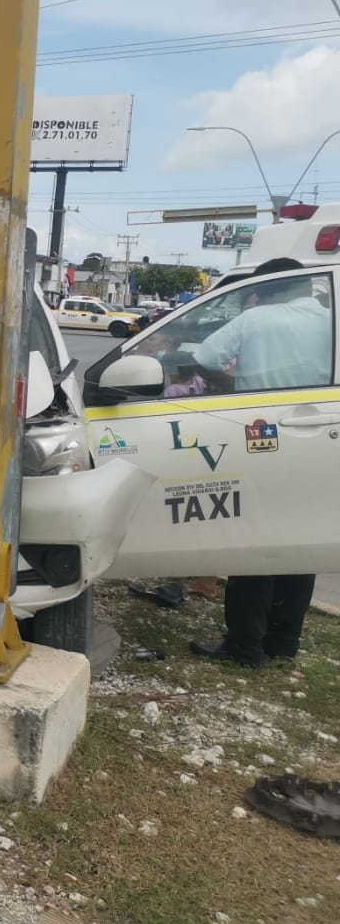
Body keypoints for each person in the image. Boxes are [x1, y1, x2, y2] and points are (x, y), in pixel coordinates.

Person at [189, 257, 326, 666]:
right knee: (302, 545)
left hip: (264, 433)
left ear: (265, 288)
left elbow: (207, 355)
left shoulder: (257, 319)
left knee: (255, 542)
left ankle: (245, 646)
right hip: (320, 436)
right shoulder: (329, 316)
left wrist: (237, 380)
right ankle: (283, 643)